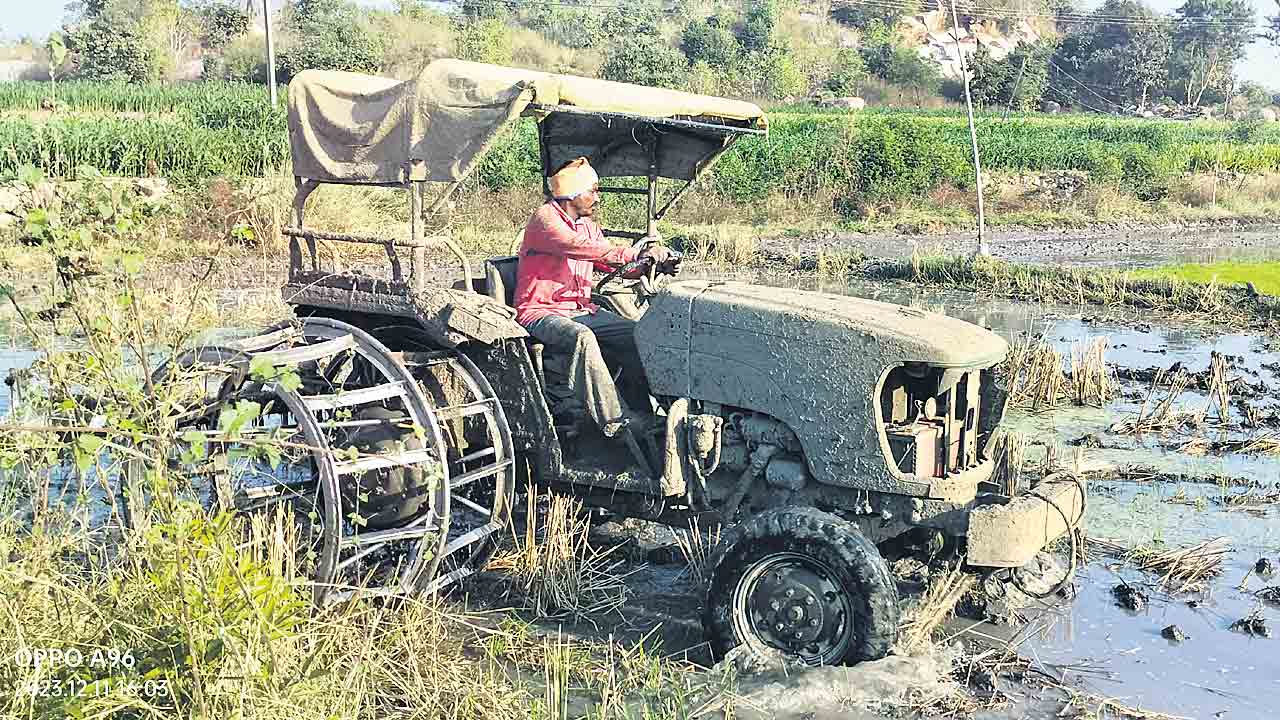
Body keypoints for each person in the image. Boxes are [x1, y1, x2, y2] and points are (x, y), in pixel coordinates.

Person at [512, 156, 671, 439]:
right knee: (582, 337)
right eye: (592, 190)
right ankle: (617, 421)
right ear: (571, 193)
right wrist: (635, 253)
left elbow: (611, 264)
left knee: (636, 334)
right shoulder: (545, 220)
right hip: (541, 312)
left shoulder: (587, 226)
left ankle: (646, 413)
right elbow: (579, 248)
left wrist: (652, 265)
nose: (597, 197)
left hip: (581, 309)